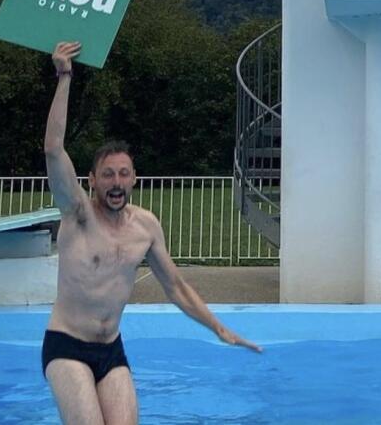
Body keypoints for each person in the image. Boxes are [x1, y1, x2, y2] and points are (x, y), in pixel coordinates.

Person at [42, 40, 260, 425]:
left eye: (123, 174)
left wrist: (218, 328)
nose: (116, 182)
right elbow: (54, 150)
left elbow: (176, 286)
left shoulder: (145, 226)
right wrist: (64, 75)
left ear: (134, 179)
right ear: (91, 180)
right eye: (107, 174)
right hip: (66, 346)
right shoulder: (78, 215)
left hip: (111, 350)